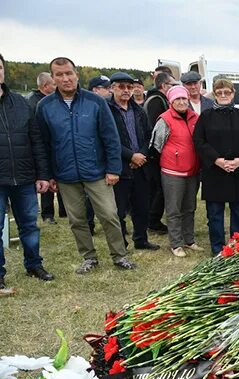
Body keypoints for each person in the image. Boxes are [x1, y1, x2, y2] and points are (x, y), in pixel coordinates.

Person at [37, 57, 135, 274]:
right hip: (65, 174)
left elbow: (110, 137)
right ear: (53, 78)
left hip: (97, 171)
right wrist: (48, 174)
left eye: (69, 73)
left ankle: (119, 256)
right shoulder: (44, 107)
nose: (65, 78)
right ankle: (89, 257)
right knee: (77, 219)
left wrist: (113, 169)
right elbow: (43, 144)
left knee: (109, 215)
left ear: (77, 74)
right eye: (59, 75)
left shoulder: (96, 102)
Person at [0, 53, 54, 295]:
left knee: (29, 226)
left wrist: (42, 174)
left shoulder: (21, 103)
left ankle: (34, 265)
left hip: (23, 177)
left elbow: (36, 140)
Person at [193, 79, 239, 256]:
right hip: (215, 172)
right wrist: (217, 160)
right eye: (219, 92)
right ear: (214, 94)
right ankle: (218, 249)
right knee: (215, 213)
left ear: (233, 93)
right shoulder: (205, 117)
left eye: (227, 92)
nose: (223, 95)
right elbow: (199, 142)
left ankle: (237, 246)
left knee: (238, 212)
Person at [107, 72, 159, 251]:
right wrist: (131, 156)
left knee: (142, 207)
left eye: (129, 87)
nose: (126, 90)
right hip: (119, 167)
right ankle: (121, 244)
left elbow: (148, 136)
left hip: (141, 166)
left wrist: (141, 156)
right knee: (119, 210)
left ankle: (141, 239)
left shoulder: (139, 111)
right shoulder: (107, 110)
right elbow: (108, 140)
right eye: (121, 86)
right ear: (112, 88)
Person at [149, 85, 202, 257]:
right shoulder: (165, 119)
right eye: (177, 99)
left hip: (192, 171)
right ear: (171, 101)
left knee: (189, 207)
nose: (181, 102)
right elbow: (156, 146)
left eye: (184, 99)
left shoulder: (195, 118)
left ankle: (189, 240)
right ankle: (176, 243)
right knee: (174, 209)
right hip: (173, 172)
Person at [144, 71, 178, 234]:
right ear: (164, 86)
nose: (174, 88)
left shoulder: (154, 98)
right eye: (172, 85)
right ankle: (153, 221)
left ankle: (152, 219)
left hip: (155, 153)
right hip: (156, 153)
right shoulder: (157, 101)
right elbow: (157, 130)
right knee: (159, 188)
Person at [29, 72, 65, 224]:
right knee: (46, 179)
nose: (56, 86)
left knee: (63, 178)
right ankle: (48, 214)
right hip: (42, 147)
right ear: (45, 86)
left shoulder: (56, 99)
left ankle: (64, 210)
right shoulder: (32, 102)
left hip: (57, 145)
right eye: (54, 84)